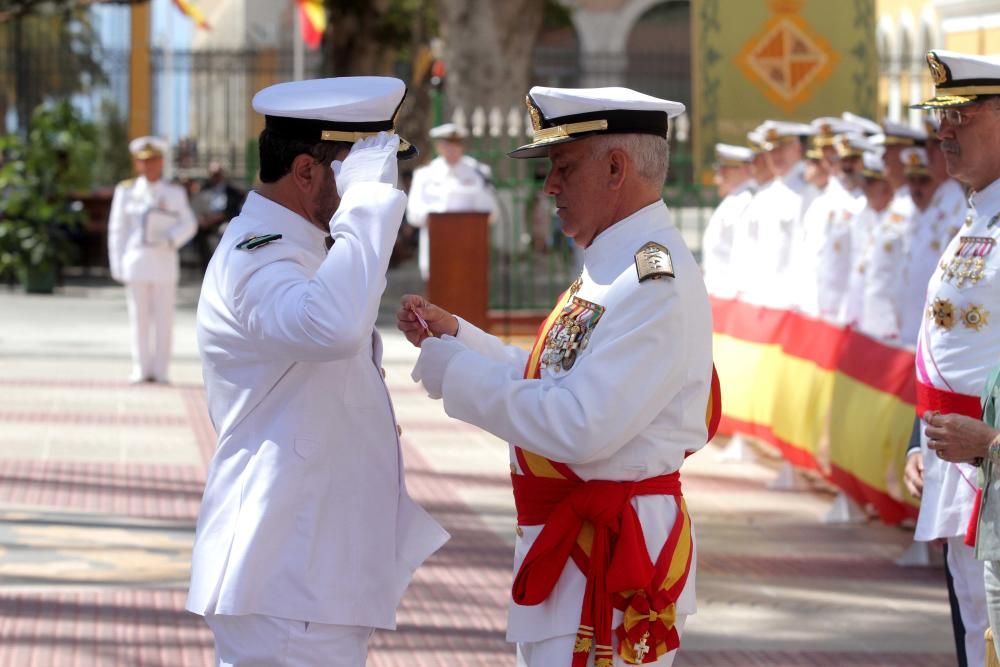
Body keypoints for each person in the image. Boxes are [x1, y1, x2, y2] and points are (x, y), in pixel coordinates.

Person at [398, 85, 717, 667]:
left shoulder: (651, 281)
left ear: (616, 168)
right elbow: (555, 374)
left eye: (563, 167)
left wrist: (458, 374)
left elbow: (580, 424)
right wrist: (461, 341)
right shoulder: (613, 262)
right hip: (579, 556)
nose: (549, 186)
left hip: (612, 565)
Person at [185, 76, 449, 666]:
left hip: (307, 571)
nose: (380, 191)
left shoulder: (299, 246)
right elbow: (332, 327)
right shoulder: (260, 255)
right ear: (307, 172)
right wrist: (368, 210)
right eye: (360, 174)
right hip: (288, 575)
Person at [903, 48, 1000, 667]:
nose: (944, 129)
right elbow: (946, 343)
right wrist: (920, 437)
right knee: (976, 639)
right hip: (961, 470)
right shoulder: (975, 215)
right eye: (943, 112)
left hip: (987, 460)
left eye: (962, 113)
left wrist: (990, 441)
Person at [107, 136, 197, 384]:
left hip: (164, 261)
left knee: (164, 320)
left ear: (162, 162)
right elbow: (117, 230)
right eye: (144, 161)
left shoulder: (174, 192)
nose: (149, 166)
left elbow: (189, 223)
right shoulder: (126, 191)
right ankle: (140, 368)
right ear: (137, 163)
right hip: (136, 262)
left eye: (154, 160)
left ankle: (161, 370)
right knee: (139, 318)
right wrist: (117, 264)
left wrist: (171, 239)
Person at [406, 122, 495, 281]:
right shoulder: (425, 175)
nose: (452, 150)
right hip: (437, 248)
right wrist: (436, 219)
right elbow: (414, 213)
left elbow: (492, 212)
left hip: (470, 246)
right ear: (439, 147)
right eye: (447, 145)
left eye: (456, 145)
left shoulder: (478, 172)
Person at [701, 143, 754, 299]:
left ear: (745, 170)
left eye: (727, 169)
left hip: (730, 294)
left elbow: (743, 257)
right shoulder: (734, 200)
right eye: (720, 168)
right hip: (720, 292)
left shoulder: (745, 202)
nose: (720, 174)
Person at [191, 161, 245, 272]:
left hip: (225, 225)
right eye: (213, 174)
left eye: (218, 174)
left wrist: (219, 217)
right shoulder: (203, 190)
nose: (215, 177)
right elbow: (196, 209)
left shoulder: (233, 192)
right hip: (207, 228)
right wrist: (203, 220)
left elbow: (235, 210)